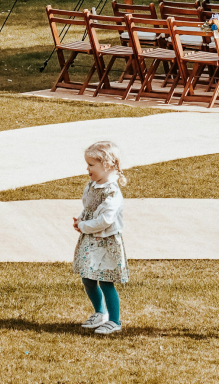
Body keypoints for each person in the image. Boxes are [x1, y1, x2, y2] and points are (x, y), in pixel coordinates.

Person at [72, 140, 129, 335]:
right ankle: (100, 312)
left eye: (91, 165)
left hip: (105, 241)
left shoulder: (112, 192)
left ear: (107, 165)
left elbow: (105, 220)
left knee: (105, 280)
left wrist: (83, 226)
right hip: (90, 239)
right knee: (87, 277)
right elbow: (90, 207)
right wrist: (81, 218)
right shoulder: (94, 184)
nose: (87, 168)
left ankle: (114, 320)